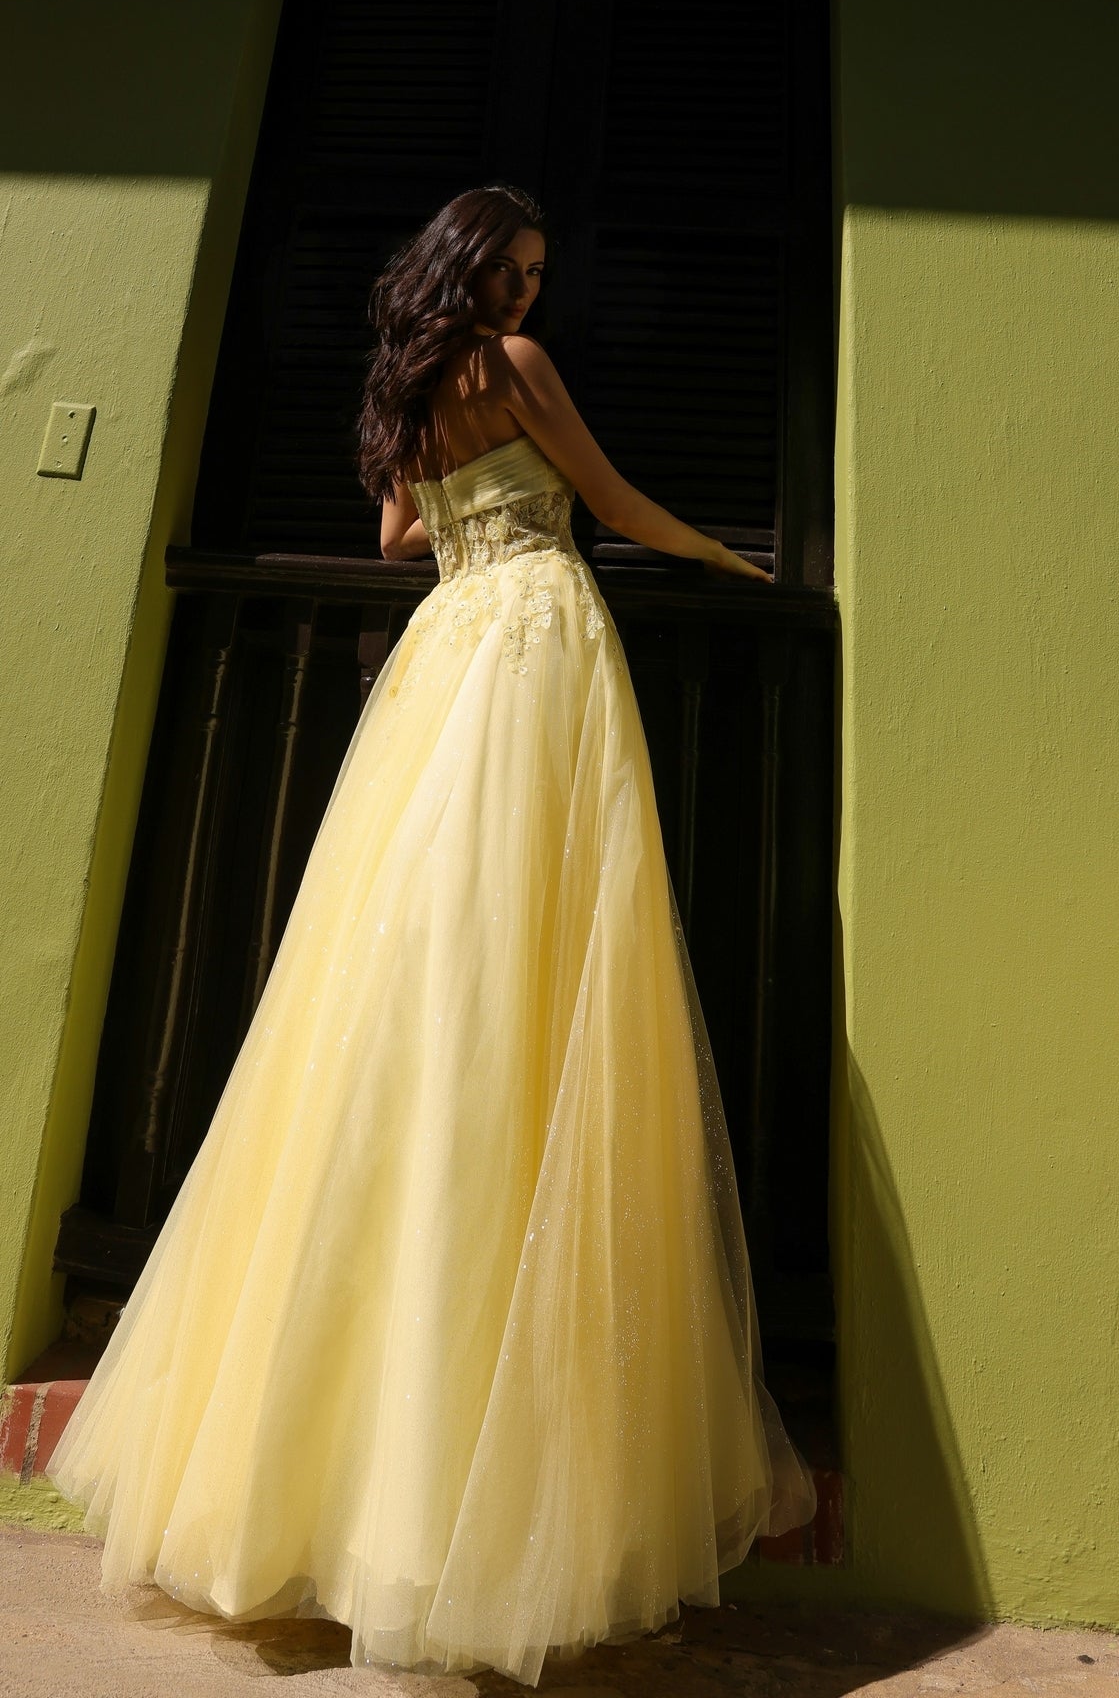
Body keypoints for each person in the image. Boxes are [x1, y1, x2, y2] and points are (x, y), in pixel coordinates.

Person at [46, 183, 816, 1686]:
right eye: (513, 270)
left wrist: (466, 499)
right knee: (533, 953)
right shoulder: (514, 368)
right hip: (531, 639)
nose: (527, 294)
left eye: (534, 275)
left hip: (445, 652)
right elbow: (612, 503)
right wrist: (723, 558)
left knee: (409, 968)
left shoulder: (408, 389)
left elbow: (397, 537)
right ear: (472, 272)